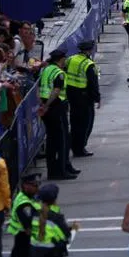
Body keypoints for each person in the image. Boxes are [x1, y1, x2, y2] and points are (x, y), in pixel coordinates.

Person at [37, 50, 76, 179]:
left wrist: (42, 105)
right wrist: (47, 105)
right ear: (60, 59)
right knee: (61, 140)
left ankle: (53, 171)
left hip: (46, 106)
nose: (65, 61)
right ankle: (61, 171)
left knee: (51, 141)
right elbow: (56, 91)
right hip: (56, 107)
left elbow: (39, 88)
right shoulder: (59, 73)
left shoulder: (46, 70)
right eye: (64, 58)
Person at [8, 173, 41, 257]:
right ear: (25, 186)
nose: (37, 188)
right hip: (24, 246)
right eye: (34, 185)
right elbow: (29, 227)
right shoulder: (23, 204)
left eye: (38, 185)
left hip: (29, 245)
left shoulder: (31, 198)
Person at [66, 40, 101, 158]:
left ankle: (74, 145)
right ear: (89, 50)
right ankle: (80, 147)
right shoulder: (88, 64)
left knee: (74, 122)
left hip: (71, 95)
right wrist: (97, 98)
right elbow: (93, 83)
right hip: (84, 97)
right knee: (86, 124)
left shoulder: (70, 59)